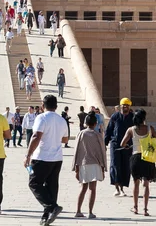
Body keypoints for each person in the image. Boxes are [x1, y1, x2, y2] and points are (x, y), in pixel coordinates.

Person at [24, 95, 69, 226]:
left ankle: (51, 207)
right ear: (56, 106)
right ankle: (46, 216)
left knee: (34, 183)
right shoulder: (61, 120)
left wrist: (28, 155)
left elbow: (36, 136)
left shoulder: (41, 117)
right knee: (51, 186)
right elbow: (65, 140)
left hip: (41, 157)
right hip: (57, 159)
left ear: (43, 106)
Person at [120, 109, 156, 217]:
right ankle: (145, 209)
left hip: (136, 157)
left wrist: (128, 146)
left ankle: (135, 207)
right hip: (147, 158)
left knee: (136, 183)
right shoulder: (150, 128)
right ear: (144, 118)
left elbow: (122, 143)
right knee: (146, 184)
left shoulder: (131, 130)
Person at [72, 113, 107, 219]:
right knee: (92, 188)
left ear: (85, 123)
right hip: (95, 164)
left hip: (83, 163)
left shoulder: (81, 134)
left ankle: (78, 211)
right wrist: (103, 167)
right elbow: (102, 152)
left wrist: (76, 168)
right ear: (96, 123)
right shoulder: (97, 135)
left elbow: (76, 151)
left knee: (83, 188)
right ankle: (90, 212)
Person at [104, 98, 134, 197]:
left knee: (125, 166)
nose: (125, 107)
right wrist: (105, 143)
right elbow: (109, 130)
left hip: (127, 146)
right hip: (115, 145)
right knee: (115, 165)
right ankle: (117, 188)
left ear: (130, 107)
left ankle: (122, 188)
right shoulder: (115, 116)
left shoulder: (132, 117)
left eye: (127, 105)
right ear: (120, 106)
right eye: (123, 105)